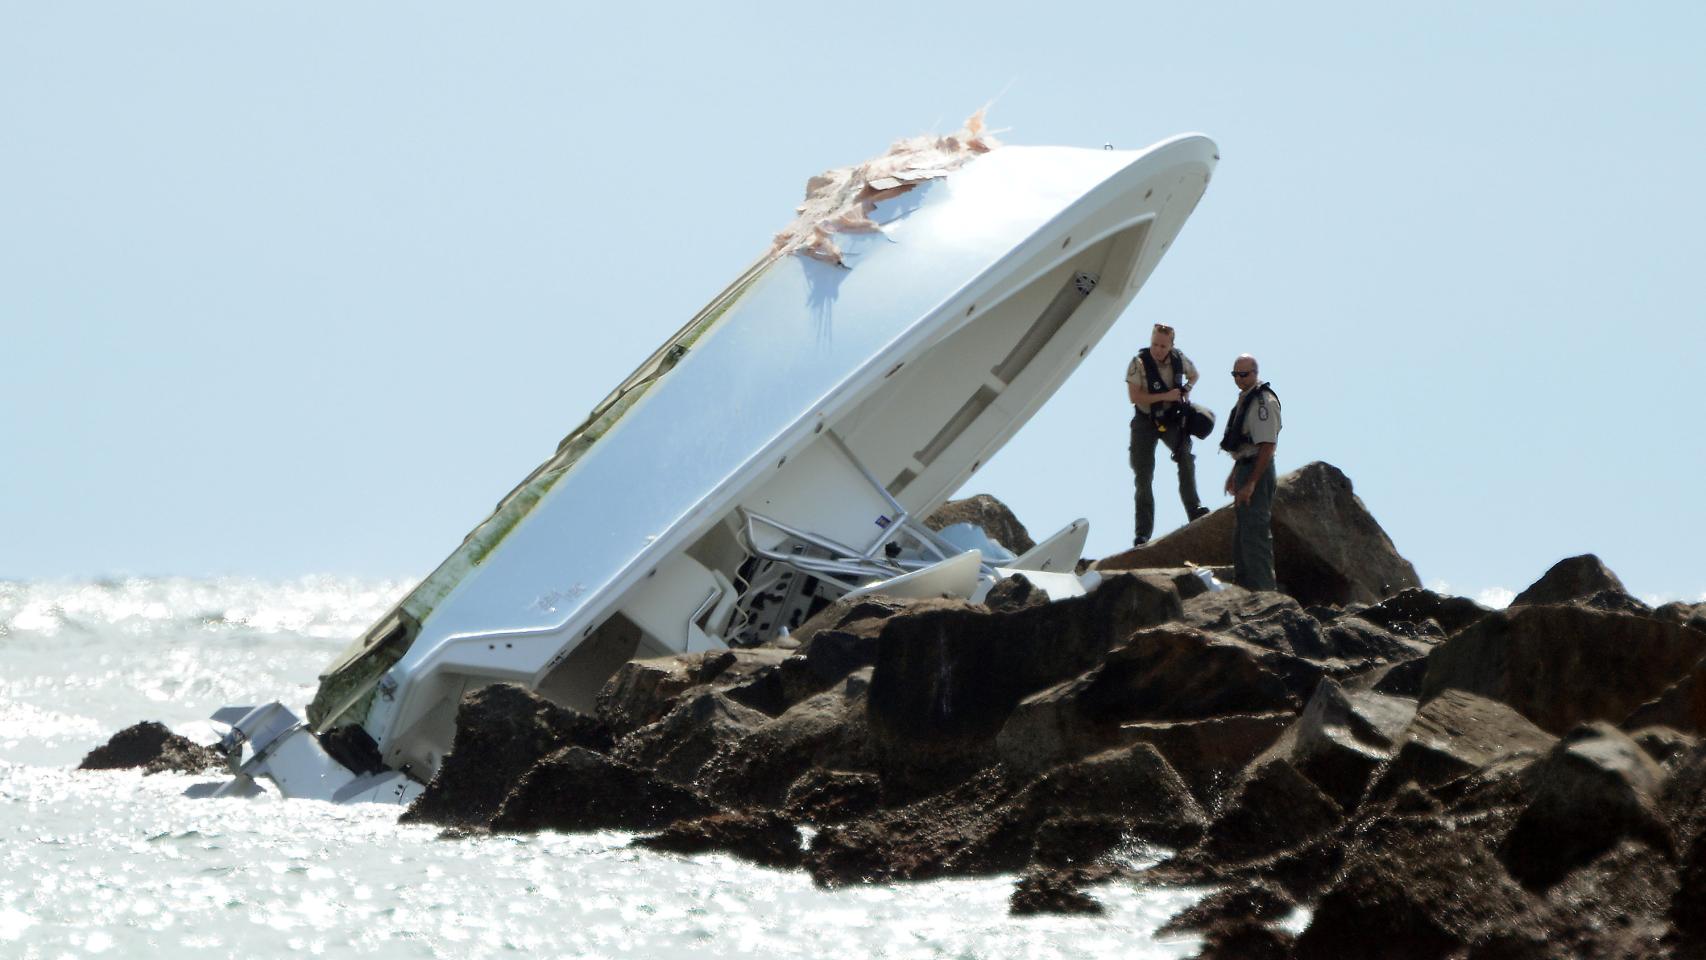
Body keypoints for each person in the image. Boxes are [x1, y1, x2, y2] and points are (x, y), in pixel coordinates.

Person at [1126, 323, 1209, 546]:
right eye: (1155, 344)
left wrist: (1185, 391)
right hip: (1145, 421)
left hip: (1171, 419)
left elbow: (1195, 375)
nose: (1158, 349)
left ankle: (1194, 509)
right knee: (1143, 476)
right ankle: (1143, 533)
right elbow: (1134, 397)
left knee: (1185, 456)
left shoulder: (1178, 359)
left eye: (1163, 345)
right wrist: (1167, 395)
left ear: (1171, 345)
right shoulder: (1138, 363)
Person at [1220, 353, 1282, 590]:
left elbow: (1267, 446)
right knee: (1242, 534)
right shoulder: (1244, 400)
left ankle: (1264, 591)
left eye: (1244, 374)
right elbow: (1243, 445)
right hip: (1245, 466)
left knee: (1255, 532)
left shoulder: (1262, 401)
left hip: (1259, 469)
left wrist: (1252, 483)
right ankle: (1245, 588)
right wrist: (1235, 474)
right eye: (1235, 374)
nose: (1239, 379)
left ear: (1255, 373)